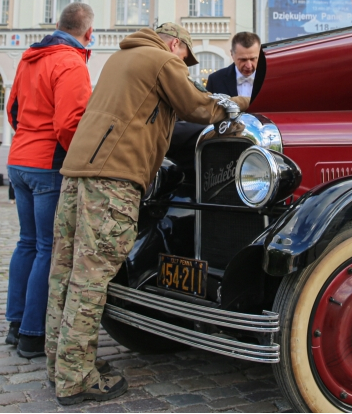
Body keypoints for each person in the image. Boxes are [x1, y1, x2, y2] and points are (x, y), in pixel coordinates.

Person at [48, 22, 249, 405]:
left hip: (77, 172)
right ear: (175, 44)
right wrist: (237, 105)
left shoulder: (119, 59)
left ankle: (60, 362)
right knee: (92, 278)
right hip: (115, 177)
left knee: (65, 271)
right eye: (185, 58)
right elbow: (195, 104)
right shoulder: (160, 60)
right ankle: (75, 377)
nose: (185, 66)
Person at [5, 3, 94, 360]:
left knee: (26, 243)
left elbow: (12, 109)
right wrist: (82, 159)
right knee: (48, 248)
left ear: (57, 24)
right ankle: (32, 334)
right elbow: (69, 123)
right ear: (89, 34)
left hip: (19, 159)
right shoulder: (71, 61)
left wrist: (27, 139)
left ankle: (15, 324)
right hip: (47, 164)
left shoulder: (31, 57)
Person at [206, 31, 261, 98]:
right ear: (232, 54)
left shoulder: (271, 78)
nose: (248, 66)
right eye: (243, 60)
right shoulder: (215, 80)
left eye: (253, 59)